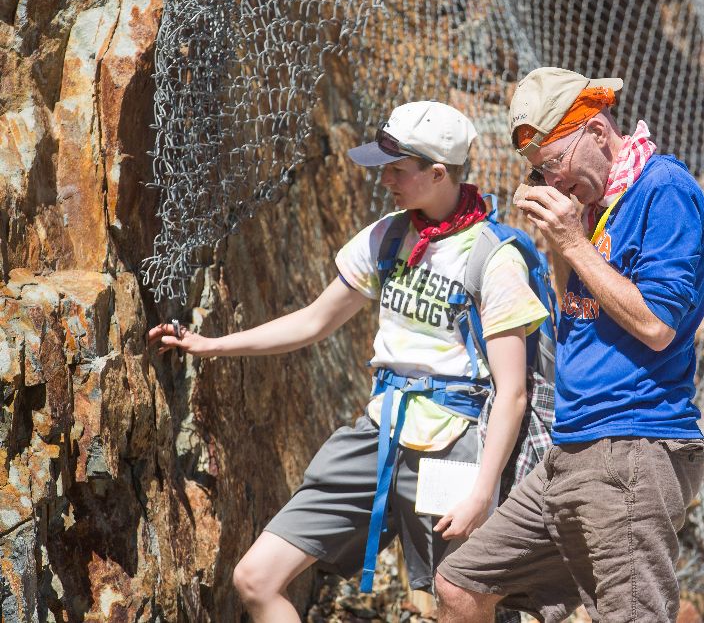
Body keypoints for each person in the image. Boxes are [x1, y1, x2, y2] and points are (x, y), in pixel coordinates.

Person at [148, 101, 550, 622]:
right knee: (255, 578)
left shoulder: (493, 258)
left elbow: (512, 394)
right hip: (379, 431)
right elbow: (315, 321)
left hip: (456, 447)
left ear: (437, 173)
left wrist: (481, 492)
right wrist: (210, 344)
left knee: (462, 603)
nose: (385, 180)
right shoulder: (387, 236)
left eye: (397, 169)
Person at [435, 68, 704, 623]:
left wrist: (570, 241)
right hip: (571, 446)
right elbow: (574, 316)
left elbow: (658, 325)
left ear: (597, 130)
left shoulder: (664, 189)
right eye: (538, 172)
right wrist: (562, 246)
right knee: (458, 587)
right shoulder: (589, 211)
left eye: (555, 164)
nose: (552, 182)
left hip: (634, 442)